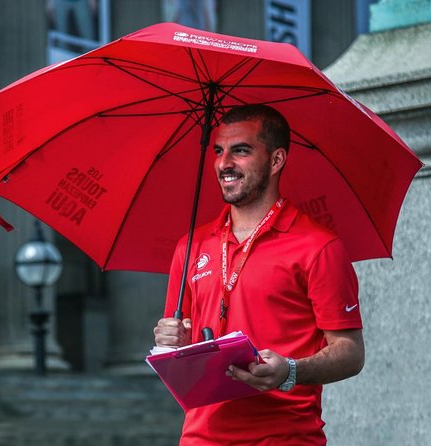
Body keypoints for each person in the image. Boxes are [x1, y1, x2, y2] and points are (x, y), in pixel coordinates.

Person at [153, 104, 365, 445]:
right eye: (219, 151)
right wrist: (170, 342)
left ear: (276, 160)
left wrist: (291, 371)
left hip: (285, 437)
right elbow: (183, 348)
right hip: (199, 438)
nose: (224, 164)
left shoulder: (319, 246)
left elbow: (351, 353)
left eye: (241, 151)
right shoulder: (190, 246)